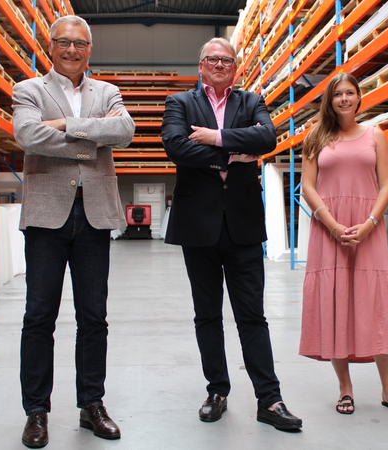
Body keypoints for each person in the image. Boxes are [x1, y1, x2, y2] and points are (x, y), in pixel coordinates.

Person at [161, 37, 302, 431]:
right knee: (207, 314)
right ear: (201, 65)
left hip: (243, 224)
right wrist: (235, 153)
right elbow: (175, 146)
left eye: (226, 59)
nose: (219, 64)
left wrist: (214, 137)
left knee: (252, 315)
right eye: (212, 59)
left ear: (235, 67)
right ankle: (217, 391)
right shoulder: (180, 103)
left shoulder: (252, 101)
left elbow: (267, 138)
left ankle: (269, 400)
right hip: (198, 225)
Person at [12, 15, 135, 448]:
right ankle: (36, 411)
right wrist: (91, 139)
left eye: (79, 43)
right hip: (47, 215)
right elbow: (28, 136)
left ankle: (91, 405)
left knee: (94, 316)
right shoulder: (29, 89)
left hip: (95, 213)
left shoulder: (107, 92)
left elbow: (124, 130)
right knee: (39, 316)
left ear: (90, 49)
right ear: (50, 46)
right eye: (63, 42)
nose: (71, 50)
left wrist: (64, 125)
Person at [299, 72, 388, 416]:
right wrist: (332, 225)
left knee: (377, 304)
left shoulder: (375, 135)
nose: (344, 99)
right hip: (329, 229)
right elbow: (308, 186)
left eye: (350, 92)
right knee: (335, 301)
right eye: (338, 94)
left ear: (359, 97)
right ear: (329, 100)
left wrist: (370, 223)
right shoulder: (315, 136)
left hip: (368, 229)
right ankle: (345, 389)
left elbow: (386, 184)